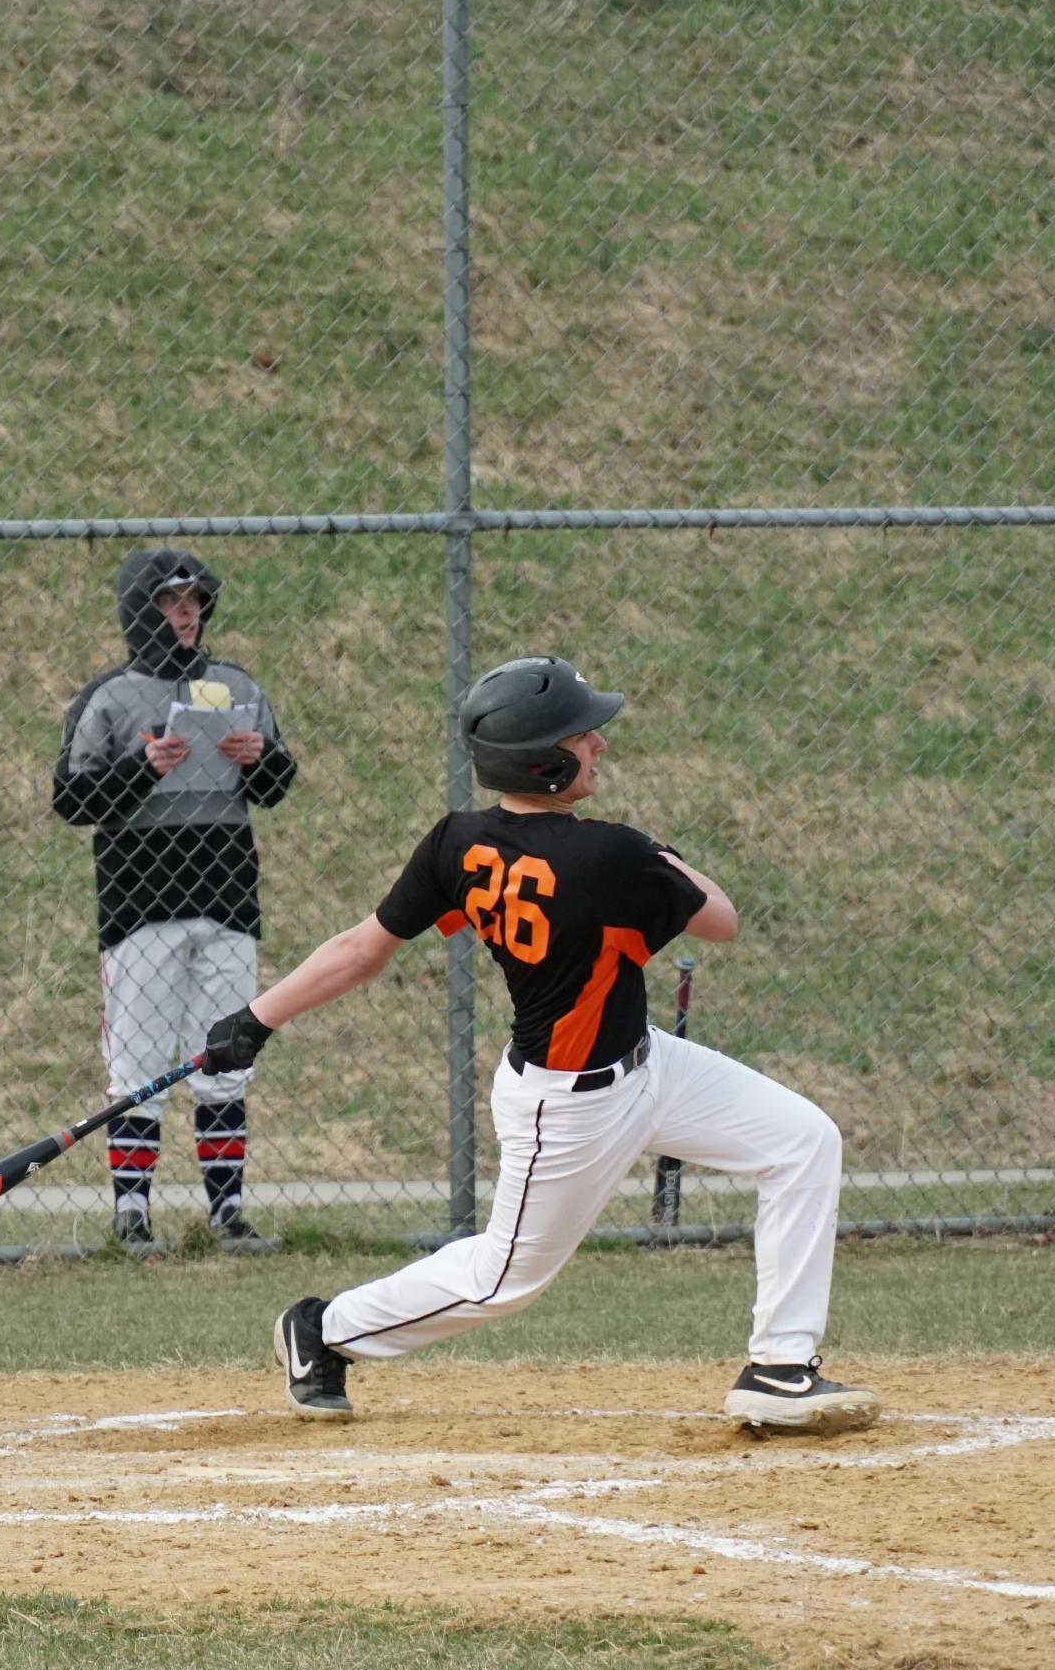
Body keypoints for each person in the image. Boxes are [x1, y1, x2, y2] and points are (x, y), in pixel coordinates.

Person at [202, 656, 880, 1435]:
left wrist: (257, 1018)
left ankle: (780, 1365)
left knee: (802, 1140)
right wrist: (658, 851)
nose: (599, 748)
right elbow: (720, 918)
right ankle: (323, 1330)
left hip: (647, 1063)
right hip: (568, 1106)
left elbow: (363, 947)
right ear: (547, 762)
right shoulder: (609, 856)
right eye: (584, 739)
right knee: (504, 1280)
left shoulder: (458, 841)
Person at [50, 548, 297, 1246]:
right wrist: (140, 767)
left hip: (226, 900)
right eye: (168, 602)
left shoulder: (236, 685)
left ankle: (227, 1213)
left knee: (226, 1060)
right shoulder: (109, 697)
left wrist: (261, 761)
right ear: (139, 611)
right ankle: (133, 1214)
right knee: (139, 1064)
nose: (185, 614)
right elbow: (69, 798)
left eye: (193, 602)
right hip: (140, 907)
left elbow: (276, 787)